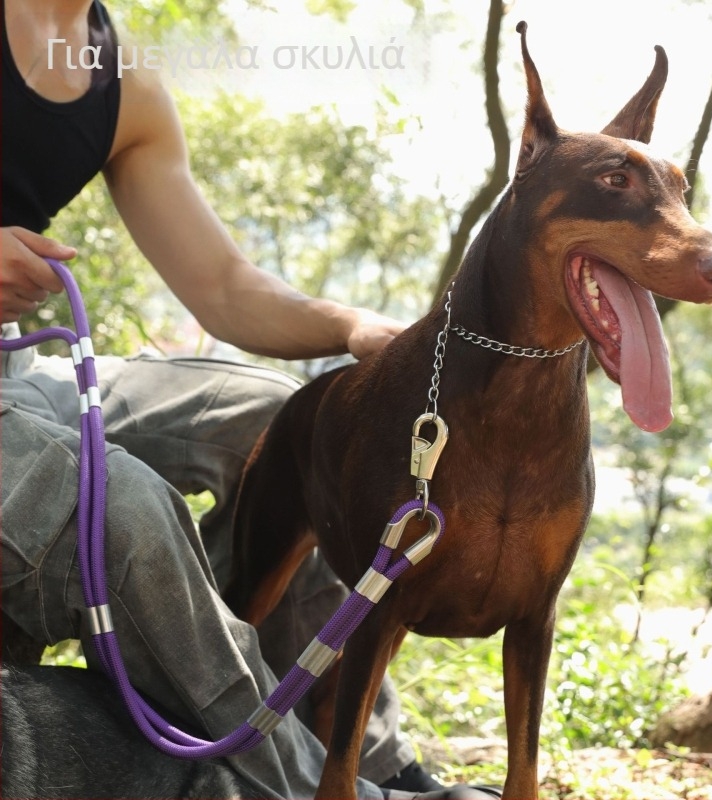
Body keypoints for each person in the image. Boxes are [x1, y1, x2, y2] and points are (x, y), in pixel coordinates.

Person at [0, 2, 497, 797]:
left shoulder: (125, 88)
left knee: (286, 427)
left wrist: (363, 330)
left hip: (22, 374)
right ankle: (311, 789)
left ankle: (361, 751)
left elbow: (227, 289)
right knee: (120, 506)